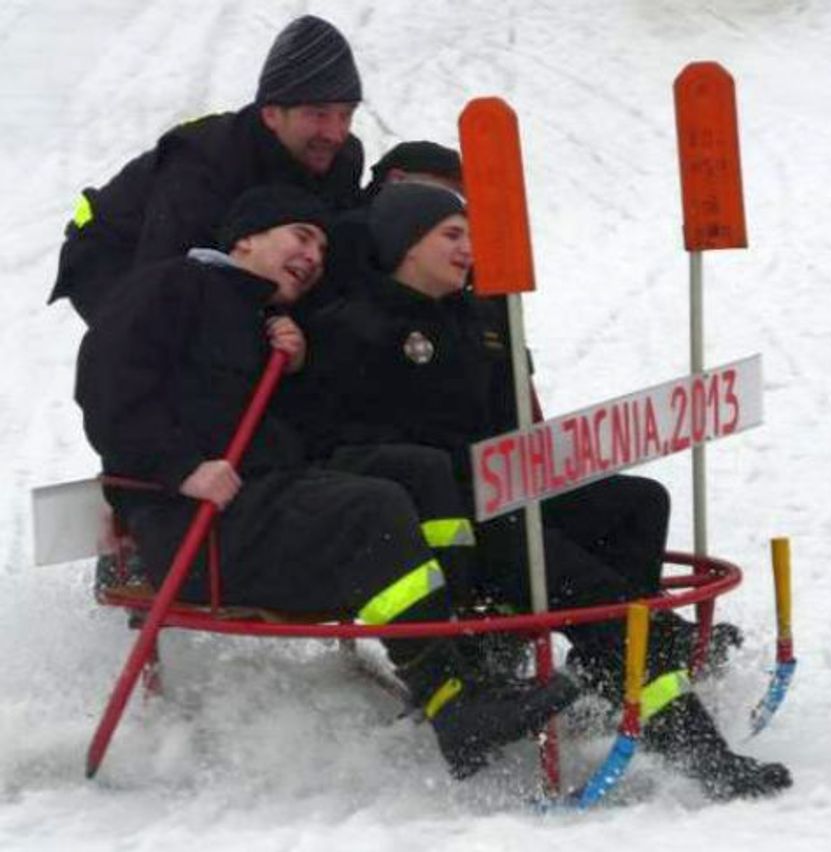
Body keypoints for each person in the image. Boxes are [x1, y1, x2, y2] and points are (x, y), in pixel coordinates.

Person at [299, 183, 792, 800]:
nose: (468, 249)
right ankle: (698, 748)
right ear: (405, 245)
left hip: (497, 491)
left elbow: (509, 428)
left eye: (472, 237)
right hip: (443, 526)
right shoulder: (353, 327)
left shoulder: (478, 322)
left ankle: (611, 668)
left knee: (637, 503)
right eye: (452, 235)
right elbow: (338, 446)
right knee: (596, 592)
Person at [74, 185, 578, 780]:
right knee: (372, 506)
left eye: (321, 245)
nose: (313, 256)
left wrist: (294, 364)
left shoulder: (263, 318)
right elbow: (106, 387)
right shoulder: (173, 286)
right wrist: (181, 469)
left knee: (418, 467)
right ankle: (452, 703)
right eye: (301, 236)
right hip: (200, 531)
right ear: (245, 239)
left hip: (263, 499)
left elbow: (287, 428)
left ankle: (462, 655)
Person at [50, 14, 366, 323]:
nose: (336, 133)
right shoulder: (205, 161)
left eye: (346, 114)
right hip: (114, 257)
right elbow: (163, 284)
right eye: (319, 114)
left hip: (215, 252)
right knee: (169, 337)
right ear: (271, 114)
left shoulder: (344, 158)